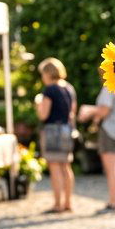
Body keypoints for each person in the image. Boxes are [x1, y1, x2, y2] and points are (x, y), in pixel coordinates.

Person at [78, 70, 115, 212]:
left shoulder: (109, 86)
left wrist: (89, 111)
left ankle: (113, 203)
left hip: (110, 131)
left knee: (112, 168)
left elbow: (104, 110)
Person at [35, 57, 77, 213]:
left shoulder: (49, 90)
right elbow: (72, 112)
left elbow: (43, 115)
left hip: (52, 130)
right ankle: (68, 202)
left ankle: (57, 204)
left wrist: (38, 104)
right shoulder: (69, 88)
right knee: (66, 166)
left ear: (47, 73)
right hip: (67, 129)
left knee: (54, 167)